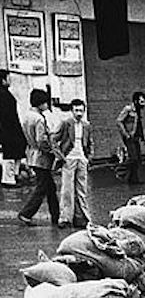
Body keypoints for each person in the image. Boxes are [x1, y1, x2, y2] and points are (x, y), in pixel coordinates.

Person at [17, 89, 58, 226]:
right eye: (46, 102)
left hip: (31, 154)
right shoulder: (39, 118)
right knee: (43, 187)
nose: (47, 105)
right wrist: (52, 151)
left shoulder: (27, 115)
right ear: (41, 103)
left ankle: (56, 215)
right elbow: (41, 140)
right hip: (41, 157)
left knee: (50, 187)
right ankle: (26, 213)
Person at [53, 98, 93, 229]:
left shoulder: (86, 125)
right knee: (67, 190)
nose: (79, 113)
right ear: (71, 111)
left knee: (82, 189)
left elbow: (90, 142)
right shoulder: (66, 123)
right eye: (76, 110)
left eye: (81, 110)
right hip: (69, 159)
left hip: (82, 159)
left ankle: (81, 217)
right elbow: (53, 139)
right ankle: (65, 218)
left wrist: (89, 157)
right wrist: (61, 156)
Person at [0, 69, 27, 182]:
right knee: (10, 152)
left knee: (17, 149)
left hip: (10, 127)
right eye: (8, 78)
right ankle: (9, 178)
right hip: (8, 128)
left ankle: (14, 174)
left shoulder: (5, 93)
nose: (10, 80)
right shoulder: (3, 94)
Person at [116, 91, 145, 186]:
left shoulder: (138, 111)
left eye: (144, 101)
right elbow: (119, 121)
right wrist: (125, 134)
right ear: (136, 101)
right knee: (133, 158)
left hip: (136, 137)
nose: (143, 104)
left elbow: (140, 125)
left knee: (138, 159)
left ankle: (134, 180)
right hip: (130, 137)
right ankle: (119, 170)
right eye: (141, 102)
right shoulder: (128, 109)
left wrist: (144, 136)